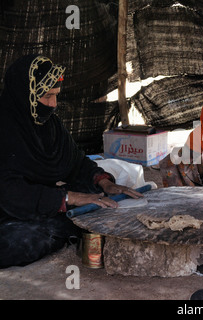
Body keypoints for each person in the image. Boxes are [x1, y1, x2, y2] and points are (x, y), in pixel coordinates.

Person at [0, 54, 143, 269]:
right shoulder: (5, 130)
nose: (53, 105)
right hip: (7, 210)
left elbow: (76, 162)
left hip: (40, 202)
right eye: (47, 96)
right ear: (25, 95)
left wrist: (104, 181)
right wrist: (68, 197)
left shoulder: (49, 125)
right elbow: (9, 191)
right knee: (26, 240)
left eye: (56, 96)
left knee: (95, 198)